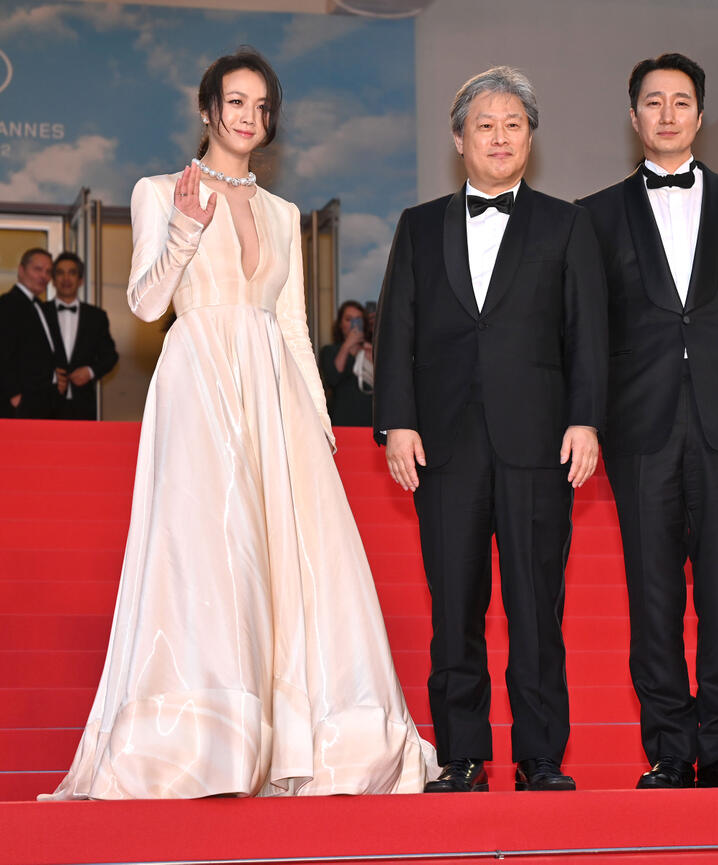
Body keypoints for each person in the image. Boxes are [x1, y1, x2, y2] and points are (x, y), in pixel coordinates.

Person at [40, 48, 436, 801]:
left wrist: (318, 423)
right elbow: (149, 307)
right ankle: (204, 741)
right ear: (207, 109)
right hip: (198, 384)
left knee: (293, 562)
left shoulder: (284, 214)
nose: (248, 117)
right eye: (235, 102)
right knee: (210, 554)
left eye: (261, 106)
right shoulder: (160, 190)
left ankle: (299, 736)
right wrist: (185, 229)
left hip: (274, 392)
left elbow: (290, 323)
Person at [374, 66, 608, 793]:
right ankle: (462, 755)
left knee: (537, 605)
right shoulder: (418, 226)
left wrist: (587, 419)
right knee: (455, 606)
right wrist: (397, 424)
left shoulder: (567, 223)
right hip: (443, 445)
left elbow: (588, 332)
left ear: (530, 137)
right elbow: (397, 330)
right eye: (485, 124)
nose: (500, 136)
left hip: (541, 443)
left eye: (513, 124)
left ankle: (541, 756)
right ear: (458, 138)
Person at [578, 53, 718, 789]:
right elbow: (587, 325)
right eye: (654, 102)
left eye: (682, 101)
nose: (668, 113)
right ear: (634, 117)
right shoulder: (594, 216)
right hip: (639, 427)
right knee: (654, 594)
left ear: (699, 114)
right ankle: (670, 748)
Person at [46, 252, 119, 421]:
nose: (66, 278)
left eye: (72, 273)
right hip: (46, 403)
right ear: (53, 279)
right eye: (60, 273)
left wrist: (90, 371)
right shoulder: (41, 313)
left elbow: (110, 356)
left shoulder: (96, 316)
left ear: (80, 280)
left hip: (84, 405)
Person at [0, 248, 64, 419]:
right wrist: (15, 396)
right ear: (21, 270)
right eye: (37, 269)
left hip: (44, 400)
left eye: (48, 271)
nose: (43, 276)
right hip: (21, 403)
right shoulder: (7, 304)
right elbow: (3, 353)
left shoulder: (41, 307)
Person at [319, 300, 374, 426]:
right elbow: (333, 378)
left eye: (358, 320)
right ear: (340, 324)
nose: (354, 325)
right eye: (349, 319)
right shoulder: (329, 351)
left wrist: (371, 357)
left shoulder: (371, 350)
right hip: (342, 422)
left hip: (369, 422)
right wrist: (348, 346)